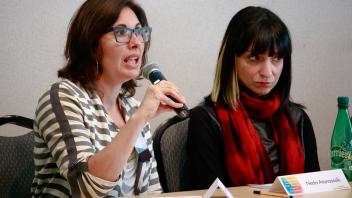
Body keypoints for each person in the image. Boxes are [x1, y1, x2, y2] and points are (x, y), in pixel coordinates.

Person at [31, 0, 186, 197]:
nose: (136, 42)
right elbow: (87, 189)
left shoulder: (133, 108)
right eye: (121, 33)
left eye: (139, 32)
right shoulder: (62, 98)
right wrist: (140, 118)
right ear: (91, 43)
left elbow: (152, 191)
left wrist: (139, 117)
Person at [186, 6, 320, 190]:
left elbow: (317, 191)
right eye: (254, 58)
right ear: (231, 60)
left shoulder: (298, 119)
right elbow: (212, 194)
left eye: (276, 58)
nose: (267, 72)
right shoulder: (207, 120)